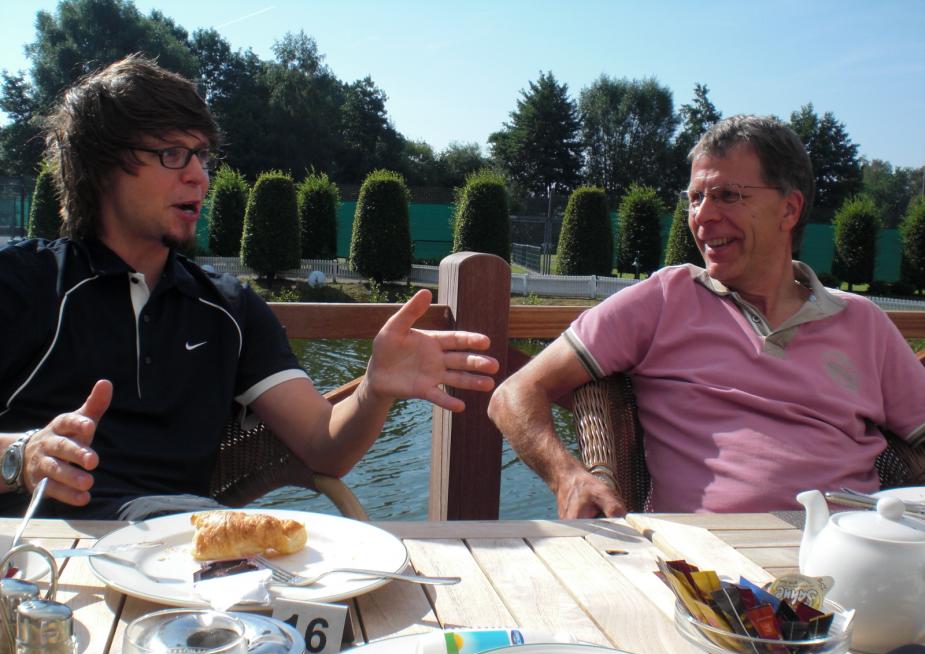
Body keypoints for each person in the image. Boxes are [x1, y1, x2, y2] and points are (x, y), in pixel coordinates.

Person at [0, 54, 499, 521]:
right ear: (101, 167)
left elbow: (324, 447)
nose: (199, 178)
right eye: (173, 154)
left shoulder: (229, 308)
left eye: (202, 156)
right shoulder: (23, 282)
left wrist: (374, 389)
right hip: (37, 558)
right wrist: (21, 456)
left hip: (184, 556)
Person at [489, 115, 925, 518]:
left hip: (850, 549)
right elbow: (514, 393)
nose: (702, 216)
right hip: (709, 558)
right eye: (695, 198)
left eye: (728, 196)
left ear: (789, 209)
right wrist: (567, 477)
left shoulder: (861, 321)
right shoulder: (664, 300)